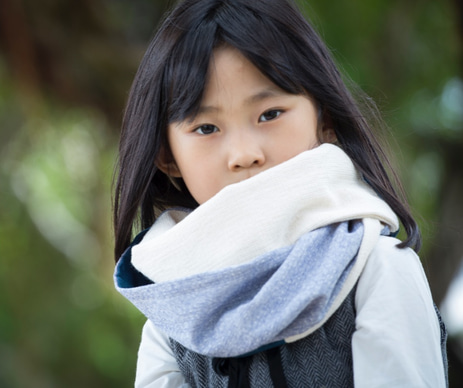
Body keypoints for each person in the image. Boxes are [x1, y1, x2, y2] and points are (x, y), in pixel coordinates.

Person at [112, 0, 448, 386]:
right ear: (167, 157)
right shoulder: (171, 313)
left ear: (326, 120)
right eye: (206, 128)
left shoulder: (378, 267)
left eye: (269, 114)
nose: (244, 155)